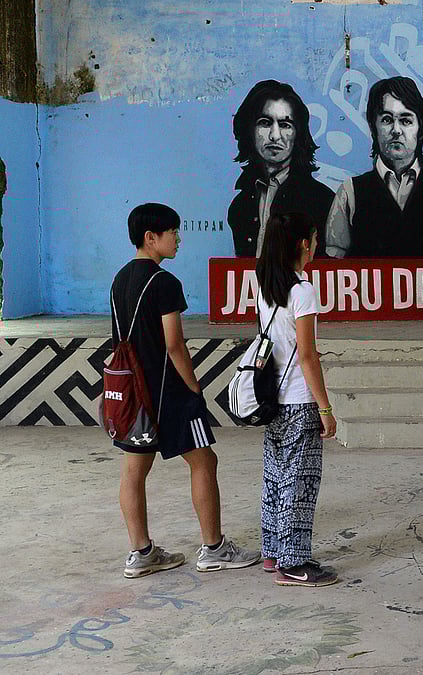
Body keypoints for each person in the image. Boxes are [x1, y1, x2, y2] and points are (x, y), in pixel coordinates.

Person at [112, 203, 260, 578]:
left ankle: (141, 552)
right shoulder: (164, 282)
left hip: (133, 393)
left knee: (134, 470)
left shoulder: (119, 280)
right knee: (204, 461)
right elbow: (174, 345)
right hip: (169, 393)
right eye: (172, 232)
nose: (178, 238)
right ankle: (213, 548)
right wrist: (194, 389)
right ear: (151, 237)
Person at [255, 211, 339, 587]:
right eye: (315, 238)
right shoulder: (303, 291)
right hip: (298, 400)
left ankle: (273, 552)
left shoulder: (266, 286)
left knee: (275, 476)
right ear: (305, 244)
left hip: (272, 396)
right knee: (300, 482)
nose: (317, 245)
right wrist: (325, 407)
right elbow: (307, 355)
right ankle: (295, 563)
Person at [326, 76, 423, 258]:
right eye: (386, 120)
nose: (396, 130)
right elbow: (334, 264)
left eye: (406, 120)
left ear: (420, 129)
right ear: (372, 127)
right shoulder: (350, 193)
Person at [229, 80, 334, 258]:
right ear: (249, 130)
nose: (275, 135)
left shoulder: (322, 201)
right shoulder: (240, 206)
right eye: (265, 122)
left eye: (285, 125)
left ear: (298, 134)